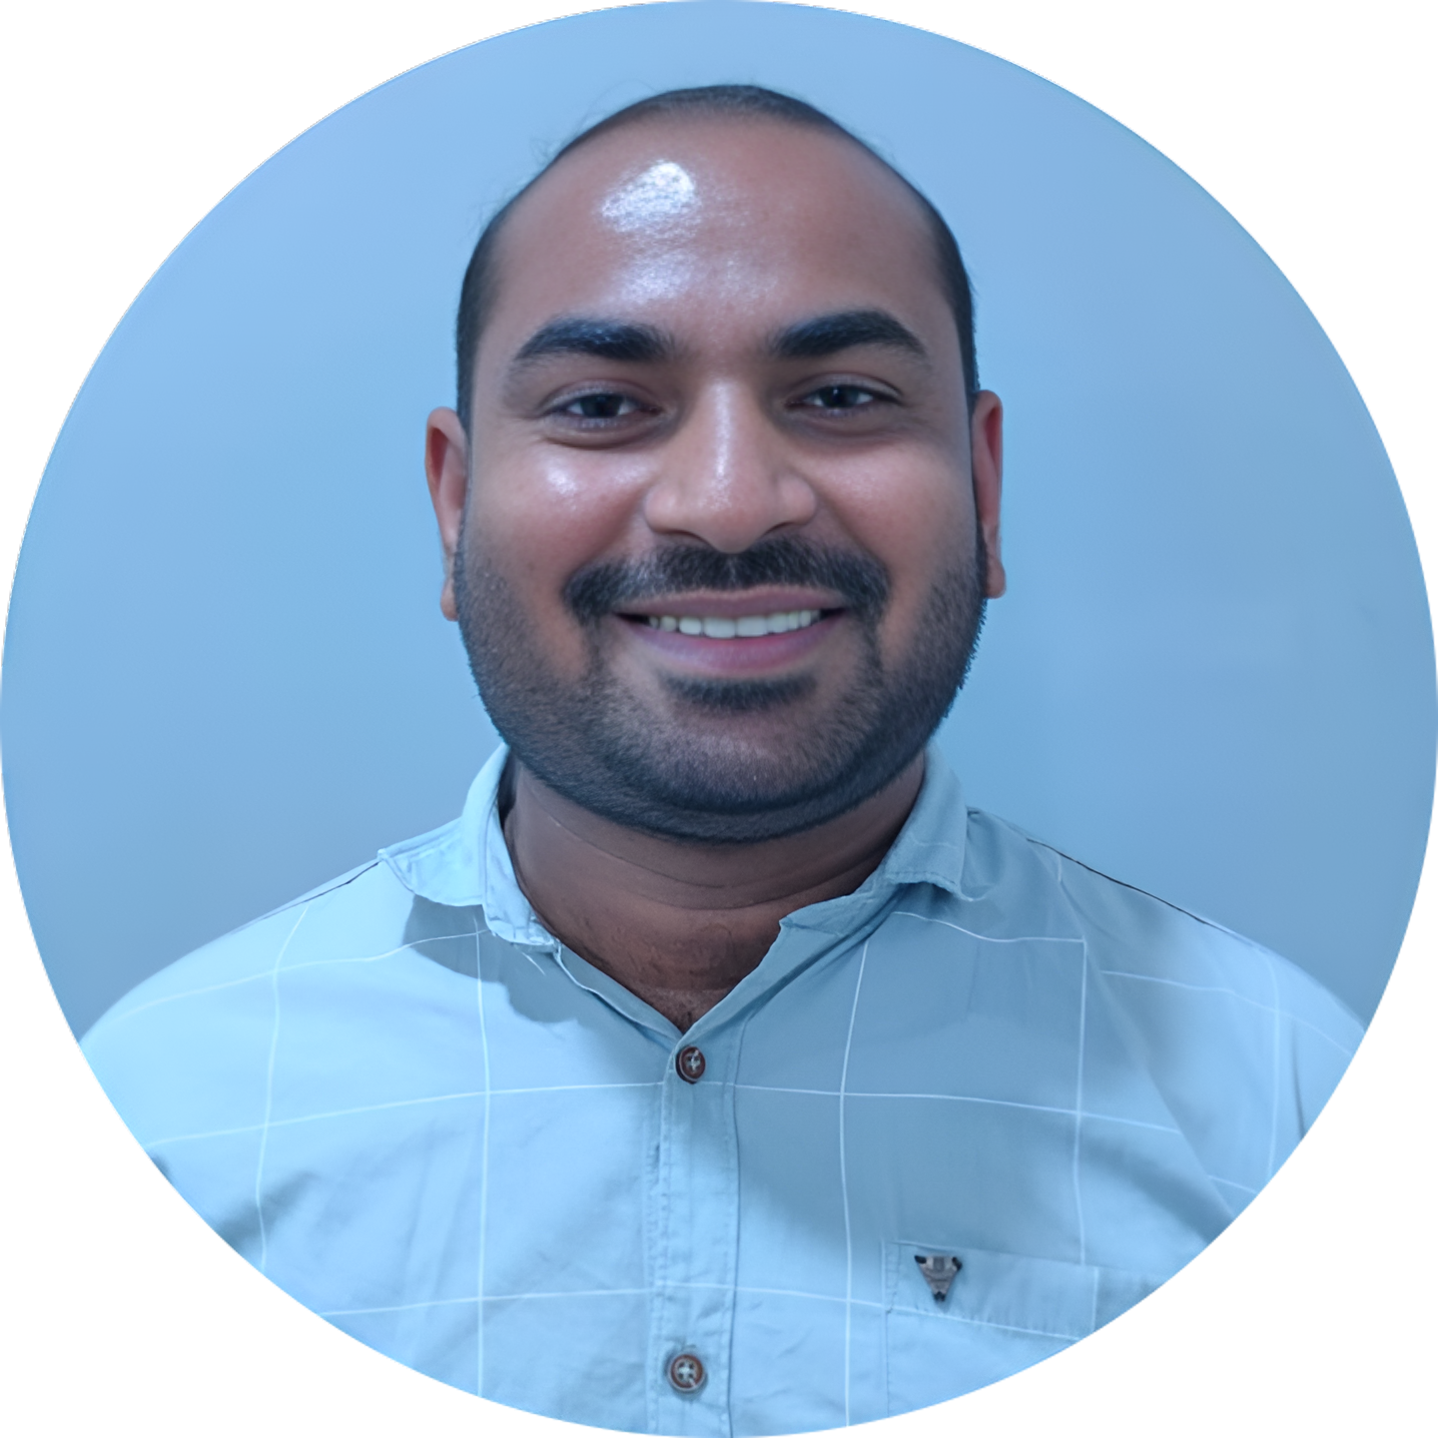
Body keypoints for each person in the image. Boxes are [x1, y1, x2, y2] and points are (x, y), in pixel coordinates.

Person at [80, 86, 1364, 1434]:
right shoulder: (176, 1113)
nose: (731, 502)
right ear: (453, 505)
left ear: (985, 490)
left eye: (842, 396)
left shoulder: (1269, 1099)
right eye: (600, 404)